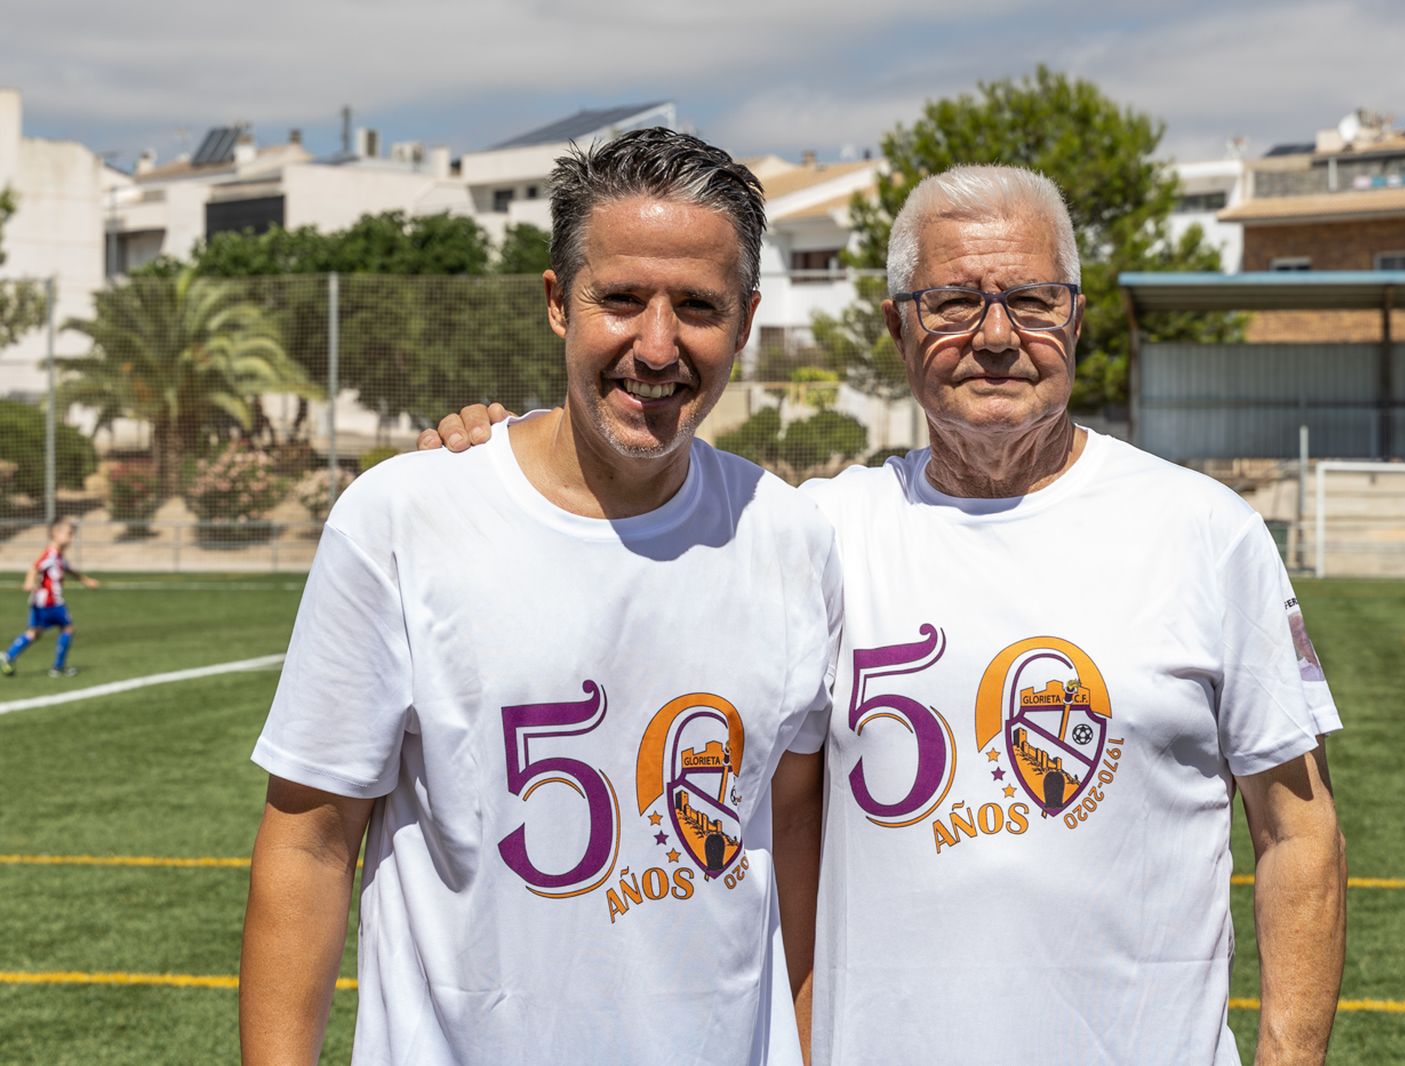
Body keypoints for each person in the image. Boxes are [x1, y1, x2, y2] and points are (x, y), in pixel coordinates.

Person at [425, 165, 1347, 1064]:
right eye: (951, 305)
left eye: (1030, 300)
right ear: (897, 330)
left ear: (1075, 316)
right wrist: (503, 448)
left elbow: (1298, 831)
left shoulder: (1206, 534)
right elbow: (620, 527)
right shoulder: (813, 535)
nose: (996, 336)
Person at [241, 128, 841, 1066]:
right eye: (622, 299)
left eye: (696, 306)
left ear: (747, 318)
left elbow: (796, 829)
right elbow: (310, 842)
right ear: (559, 302)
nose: (657, 345)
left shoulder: (795, 538)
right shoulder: (407, 516)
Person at [1, 516, 99, 679]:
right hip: (49, 601)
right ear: (55, 533)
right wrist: (29, 581)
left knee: (35, 632)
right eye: (68, 534)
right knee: (67, 628)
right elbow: (35, 567)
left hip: (44, 602)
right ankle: (58, 667)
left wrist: (86, 580)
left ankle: (9, 655)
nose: (70, 538)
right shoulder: (50, 553)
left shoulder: (58, 555)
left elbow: (69, 569)